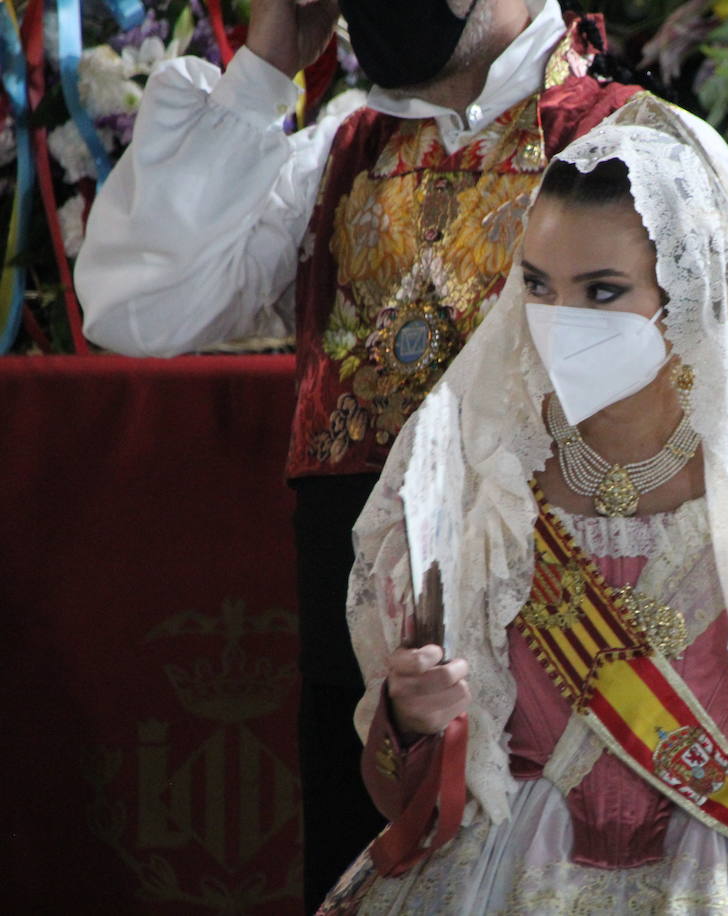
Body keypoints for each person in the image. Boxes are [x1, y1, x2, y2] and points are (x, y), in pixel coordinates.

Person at [318, 96, 728, 914]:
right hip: (506, 871)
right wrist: (412, 717)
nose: (559, 321)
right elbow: (402, 794)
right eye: (540, 285)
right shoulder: (485, 467)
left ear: (687, 289)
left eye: (603, 290)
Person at [73, 1, 642, 906]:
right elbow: (138, 306)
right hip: (364, 707)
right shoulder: (337, 153)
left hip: (583, 688)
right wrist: (262, 72)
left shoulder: (636, 147)